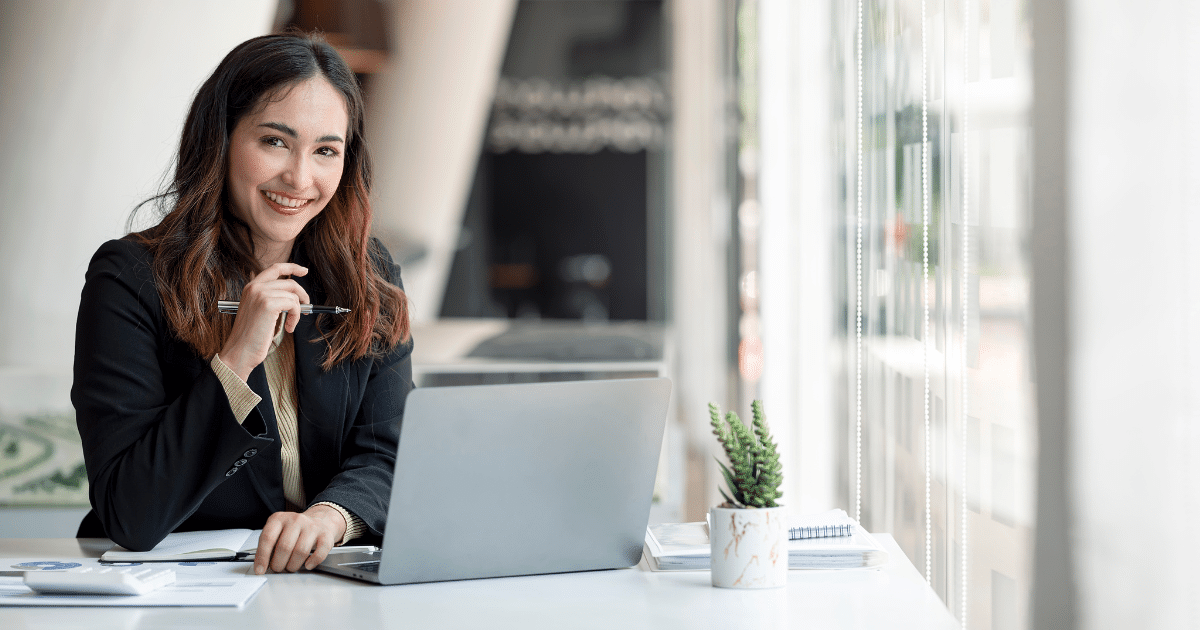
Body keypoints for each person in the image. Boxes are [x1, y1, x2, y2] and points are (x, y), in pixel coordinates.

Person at [71, 32, 412, 575]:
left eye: (326, 150)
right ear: (222, 139)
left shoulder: (367, 275)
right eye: (274, 142)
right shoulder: (130, 278)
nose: (300, 178)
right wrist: (235, 362)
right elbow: (129, 511)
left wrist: (331, 517)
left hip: (326, 588)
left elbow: (392, 452)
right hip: (181, 593)